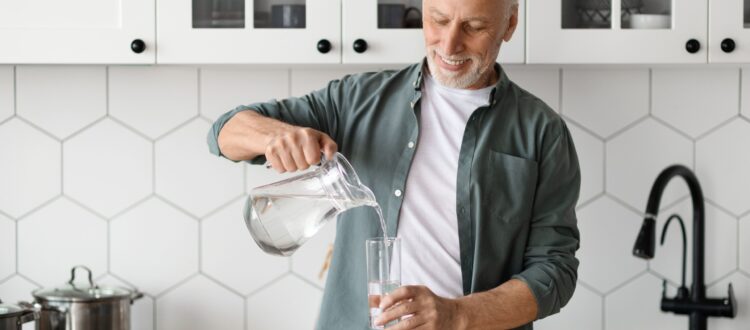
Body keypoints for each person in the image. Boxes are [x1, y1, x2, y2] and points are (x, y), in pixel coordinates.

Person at [207, 0, 580, 328]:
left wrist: (457, 315)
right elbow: (224, 132)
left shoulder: (542, 133)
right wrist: (274, 137)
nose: (449, 44)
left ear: (509, 24)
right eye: (438, 19)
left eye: (474, 27)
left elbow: (555, 273)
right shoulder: (356, 100)